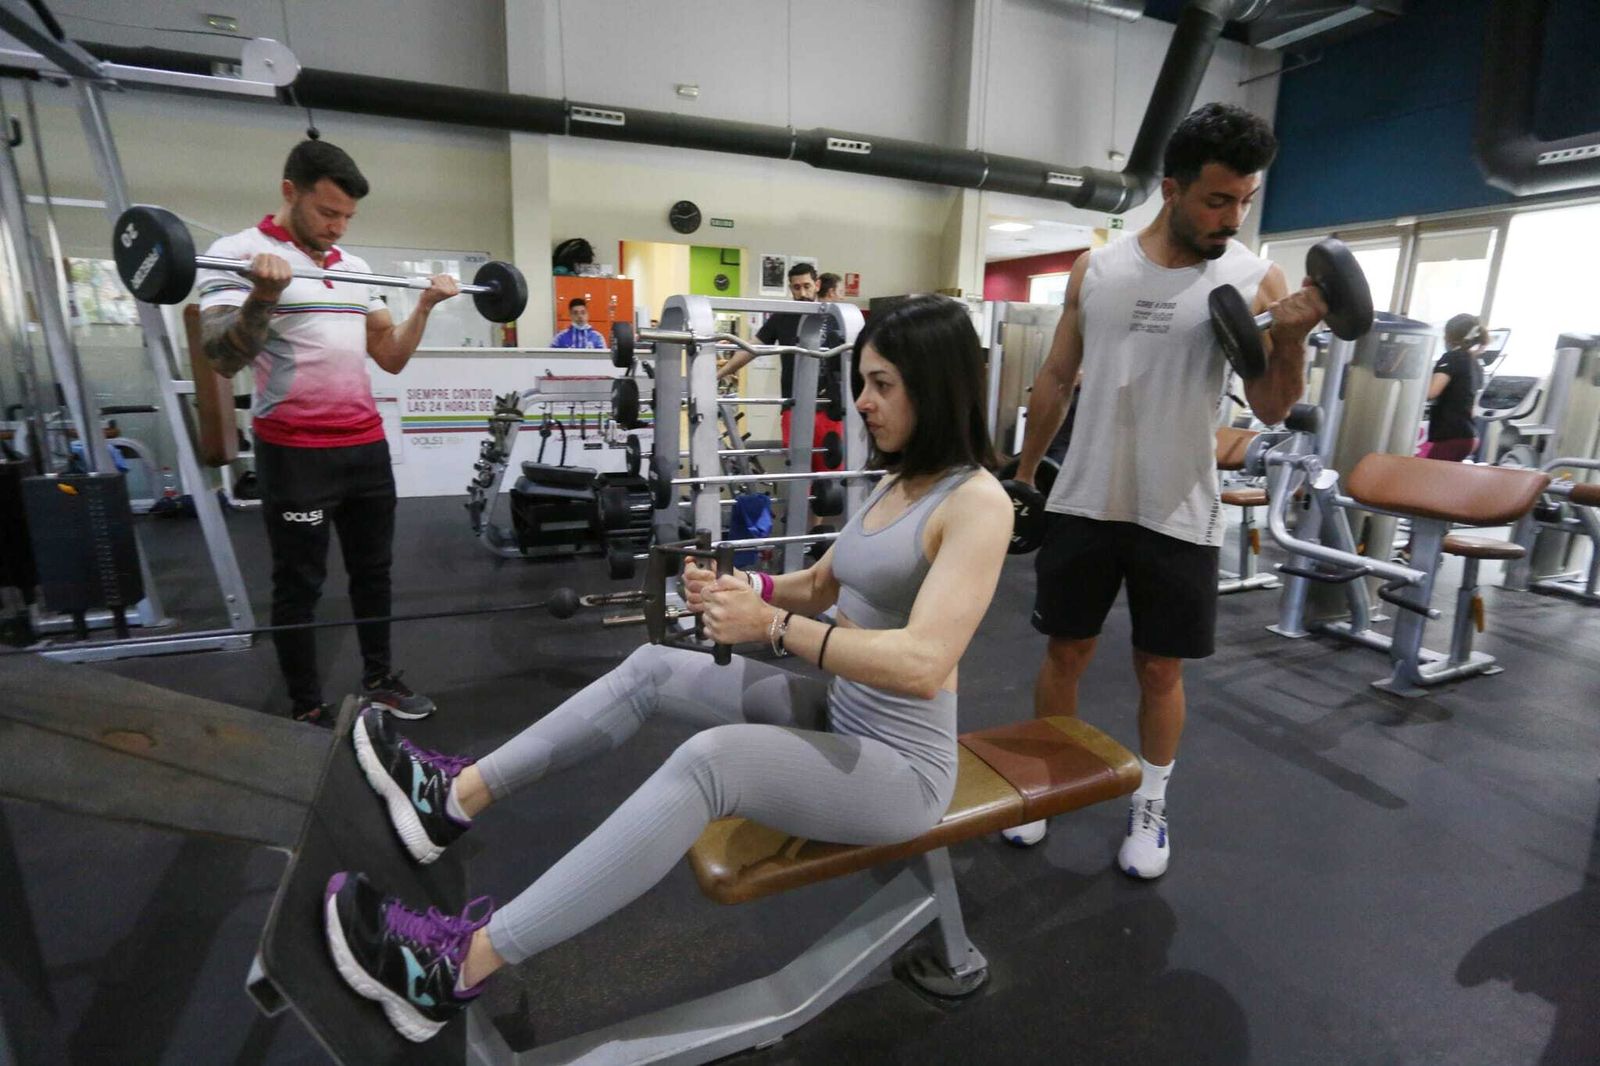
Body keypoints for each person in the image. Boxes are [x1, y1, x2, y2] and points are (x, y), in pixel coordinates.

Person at [322, 295, 1012, 1042]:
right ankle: (451, 800)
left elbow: (923, 664)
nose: (864, 402)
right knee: (654, 666)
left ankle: (455, 969)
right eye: (863, 382)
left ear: (934, 386)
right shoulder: (896, 481)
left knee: (710, 764)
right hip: (844, 713)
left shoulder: (977, 504)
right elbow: (822, 584)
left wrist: (772, 629)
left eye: (882, 385)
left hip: (904, 772)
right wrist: (746, 587)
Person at [1000, 103, 1327, 877]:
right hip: (1086, 496)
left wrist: (1292, 337)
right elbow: (1057, 375)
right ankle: (1051, 779)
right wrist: (1022, 476)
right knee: (1066, 650)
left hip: (1179, 506)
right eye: (1217, 200)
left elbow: (1272, 407)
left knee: (1160, 669)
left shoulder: (1254, 278)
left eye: (1244, 200)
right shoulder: (1098, 269)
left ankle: (1150, 803)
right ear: (1173, 189)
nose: (1232, 217)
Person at [198, 140, 457, 725]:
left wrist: (423, 308)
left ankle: (380, 679)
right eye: (327, 212)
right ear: (290, 192)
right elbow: (221, 357)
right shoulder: (236, 255)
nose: (337, 227)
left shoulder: (357, 269)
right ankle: (306, 707)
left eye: (347, 217)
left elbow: (389, 356)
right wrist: (263, 296)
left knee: (374, 572)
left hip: (364, 446)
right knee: (299, 584)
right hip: (295, 452)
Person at [717, 261, 844, 472]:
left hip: (829, 408)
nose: (802, 293)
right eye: (796, 287)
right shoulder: (782, 317)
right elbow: (751, 348)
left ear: (817, 285)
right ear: (790, 288)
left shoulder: (834, 318)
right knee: (798, 470)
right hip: (793, 405)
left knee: (831, 471)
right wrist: (719, 373)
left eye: (807, 286)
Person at [1419, 313, 1486, 462]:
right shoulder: (1475, 364)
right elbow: (1473, 408)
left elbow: (1431, 392)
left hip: (1452, 435)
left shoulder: (1451, 358)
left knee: (1429, 472)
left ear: (1451, 336)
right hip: (1469, 435)